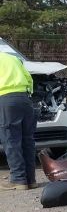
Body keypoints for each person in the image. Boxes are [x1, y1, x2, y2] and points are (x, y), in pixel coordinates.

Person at [0, 52, 35, 190]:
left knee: (11, 140)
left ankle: (18, 179)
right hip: (24, 98)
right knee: (27, 140)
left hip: (5, 99)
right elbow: (29, 78)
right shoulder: (12, 58)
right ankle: (30, 180)